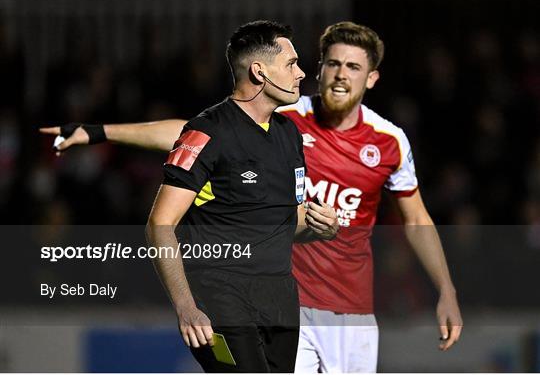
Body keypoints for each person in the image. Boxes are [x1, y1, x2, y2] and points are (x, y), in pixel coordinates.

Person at [41, 22, 462, 372]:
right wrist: (99, 132)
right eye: (331, 63)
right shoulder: (287, 115)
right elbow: (189, 135)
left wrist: (445, 290)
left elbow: (417, 219)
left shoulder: (386, 141)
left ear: (371, 78)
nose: (338, 74)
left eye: (353, 66)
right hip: (270, 292)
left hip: (341, 308)